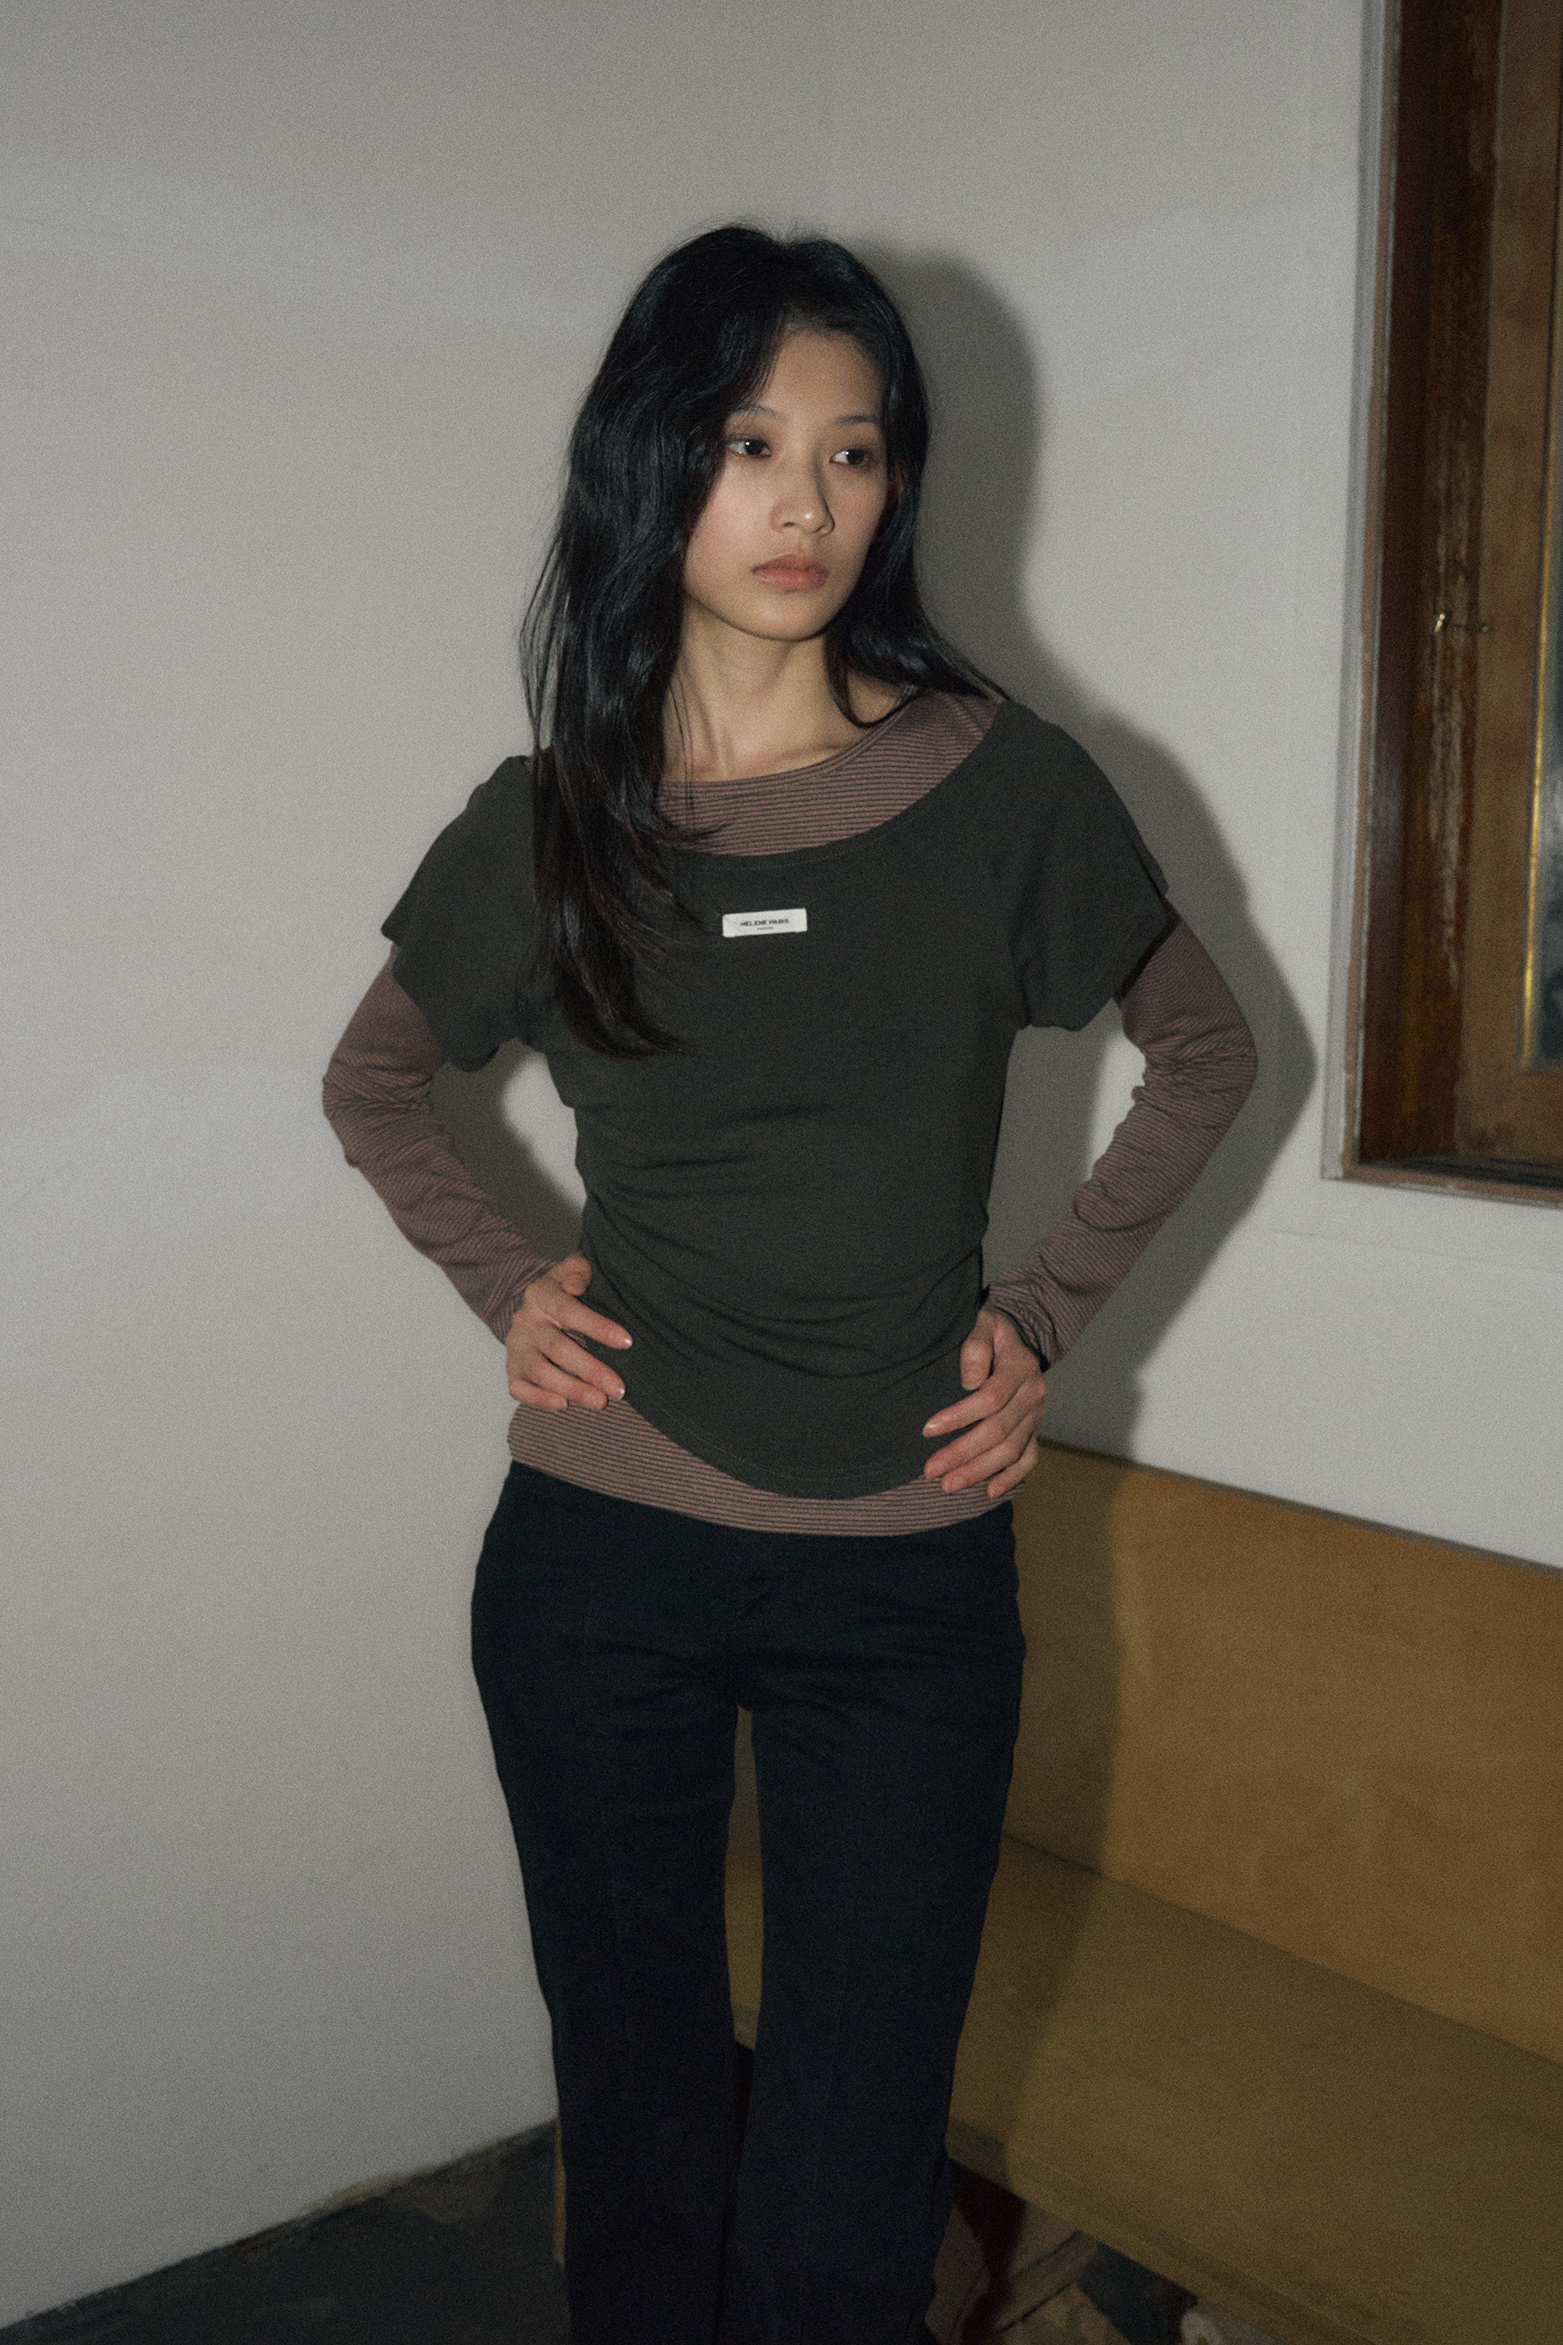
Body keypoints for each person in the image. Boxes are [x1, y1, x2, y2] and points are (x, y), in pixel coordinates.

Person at [323, 224, 1257, 2345]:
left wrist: (1042, 1317)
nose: (807, 501)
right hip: (601, 1560)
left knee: (850, 2186)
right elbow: (373, 1084)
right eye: (750, 443)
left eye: (853, 449)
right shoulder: (552, 825)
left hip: (905, 1580)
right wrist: (504, 1282)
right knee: (639, 2140)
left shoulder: (1001, 788)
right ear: (655, 463)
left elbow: (1207, 1051)